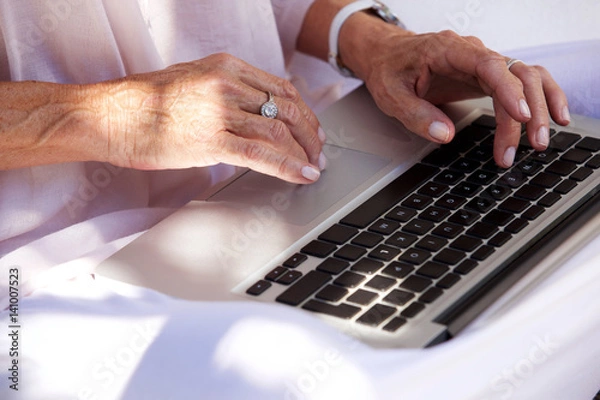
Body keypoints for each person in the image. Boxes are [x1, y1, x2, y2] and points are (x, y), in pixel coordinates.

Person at [0, 1, 598, 399]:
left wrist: (373, 42)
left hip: (314, 139)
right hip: (62, 261)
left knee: (566, 113)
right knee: (344, 376)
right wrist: (104, 114)